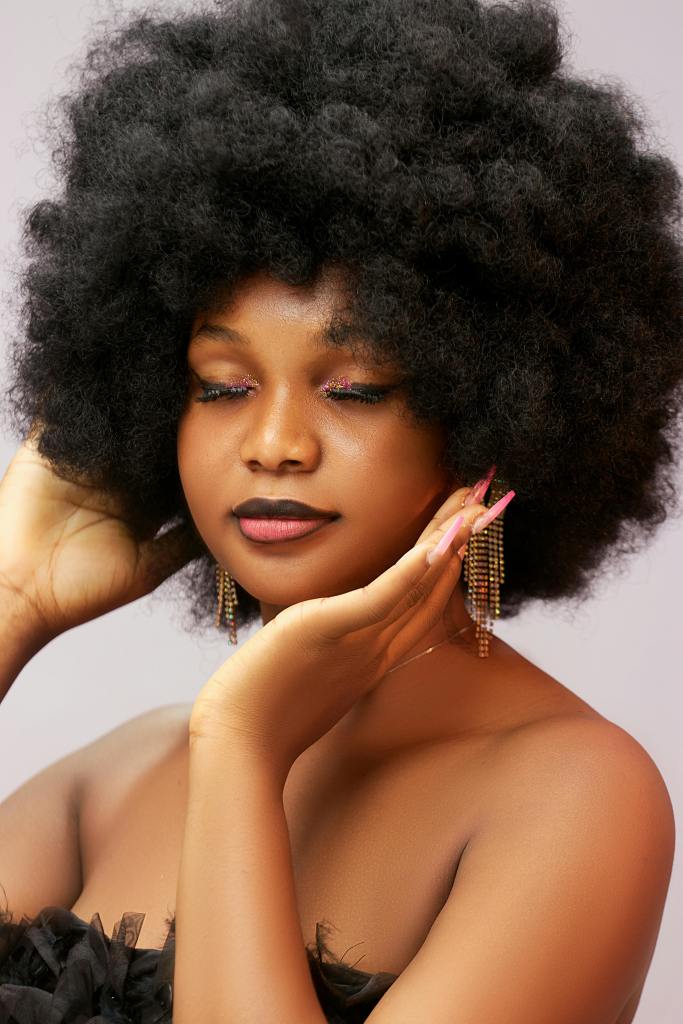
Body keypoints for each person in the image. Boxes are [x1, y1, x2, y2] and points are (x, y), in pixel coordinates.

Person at [0, 0, 680, 1020]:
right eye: (220, 384)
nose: (273, 442)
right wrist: (9, 604)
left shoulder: (575, 795)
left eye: (354, 388)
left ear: (497, 412)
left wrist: (242, 752)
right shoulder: (110, 780)